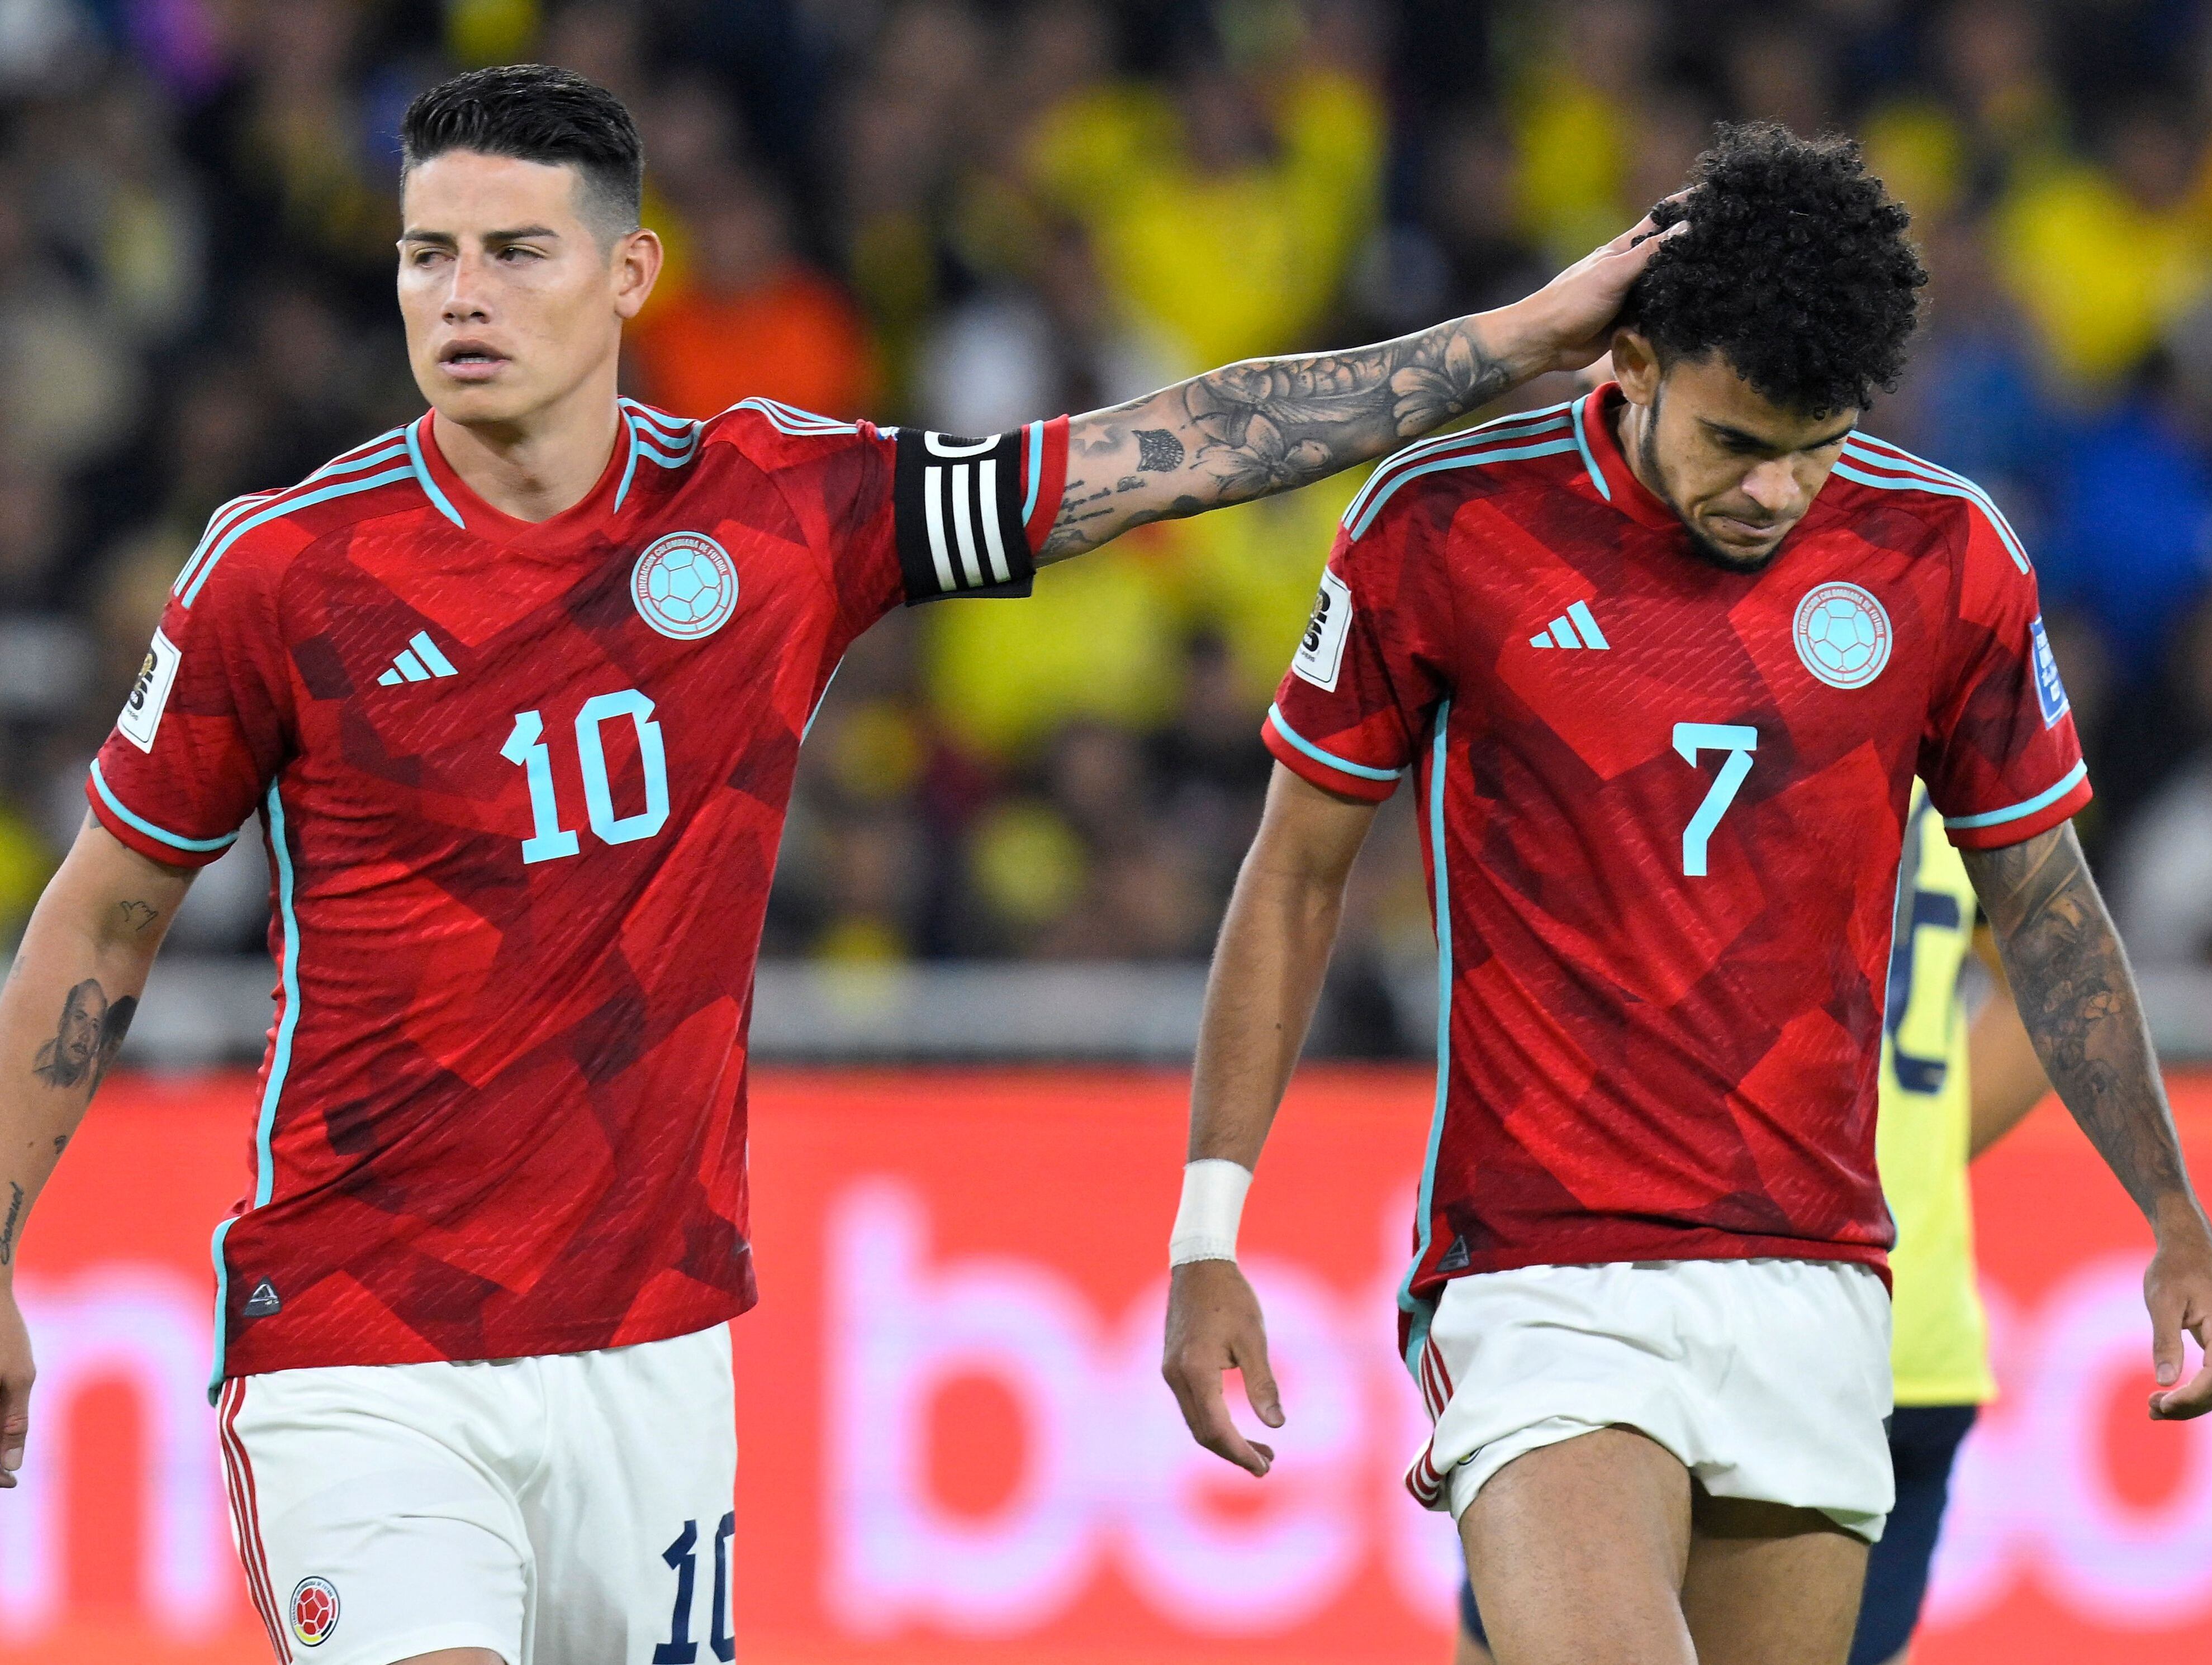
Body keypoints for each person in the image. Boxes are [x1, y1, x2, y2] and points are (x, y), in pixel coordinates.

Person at [0, 62, 1671, 1665]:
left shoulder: (774, 515)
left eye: (515, 251)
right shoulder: (284, 572)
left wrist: (1516, 337)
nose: (462, 296)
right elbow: (103, 918)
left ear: (629, 273)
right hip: (365, 1344)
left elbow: (1161, 449)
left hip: (654, 1352)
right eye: (427, 254)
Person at [1160, 123, 2212, 1665]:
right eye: (1735, 440)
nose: (1777, 488)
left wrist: (2170, 1209)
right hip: (1540, 1270)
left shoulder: (1941, 553)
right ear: (1634, 360)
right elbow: (1293, 876)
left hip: (1814, 1271)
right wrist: (1207, 1226)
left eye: (1816, 442)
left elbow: (2045, 905)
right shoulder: (1443, 524)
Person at [1445, 784, 2056, 1665]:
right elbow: (2058, 988)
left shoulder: (1700, 735)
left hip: (1660, 1280)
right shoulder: (1956, 736)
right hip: (1900, 1323)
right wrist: (1894, 1158)